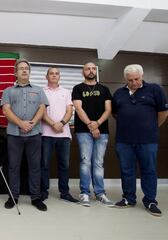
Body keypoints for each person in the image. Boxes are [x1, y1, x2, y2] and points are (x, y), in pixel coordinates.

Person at [112, 64, 168, 217]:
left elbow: (163, 113)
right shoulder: (118, 93)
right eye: (130, 80)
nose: (134, 82)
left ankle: (150, 201)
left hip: (148, 140)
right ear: (125, 79)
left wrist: (150, 127)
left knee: (149, 171)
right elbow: (116, 114)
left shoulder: (154, 89)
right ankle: (129, 199)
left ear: (142, 76)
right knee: (126, 171)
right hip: (124, 141)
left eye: (137, 79)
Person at [1, 59, 49, 211]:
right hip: (14, 134)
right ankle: (13, 196)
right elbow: (6, 110)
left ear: (29, 72)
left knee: (35, 167)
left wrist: (32, 123)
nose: (24, 71)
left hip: (34, 134)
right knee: (14, 167)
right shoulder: (8, 91)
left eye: (26, 69)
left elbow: (42, 109)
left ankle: (35, 198)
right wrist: (21, 123)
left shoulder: (39, 90)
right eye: (21, 68)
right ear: (16, 72)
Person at [72, 62, 114, 207]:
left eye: (92, 69)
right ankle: (84, 194)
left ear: (95, 71)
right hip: (83, 131)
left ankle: (100, 193)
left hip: (102, 131)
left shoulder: (105, 89)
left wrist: (97, 124)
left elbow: (108, 110)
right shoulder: (78, 88)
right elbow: (78, 108)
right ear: (82, 71)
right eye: (87, 68)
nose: (90, 71)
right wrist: (91, 125)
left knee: (98, 163)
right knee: (85, 161)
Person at [40, 67, 79, 203]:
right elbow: (42, 111)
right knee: (44, 164)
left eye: (56, 74)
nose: (54, 75)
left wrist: (61, 123)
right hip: (46, 134)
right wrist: (53, 124)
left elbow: (69, 111)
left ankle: (64, 192)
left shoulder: (66, 92)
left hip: (64, 135)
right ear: (46, 76)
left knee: (64, 165)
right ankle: (43, 191)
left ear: (59, 77)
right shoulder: (41, 91)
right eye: (51, 73)